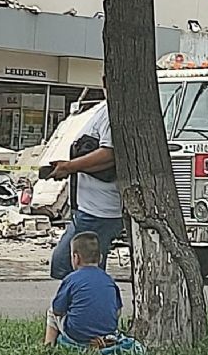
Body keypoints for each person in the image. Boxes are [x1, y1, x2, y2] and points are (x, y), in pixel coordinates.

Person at [48, 77, 122, 280]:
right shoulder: (102, 109)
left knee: (66, 264)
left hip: (99, 210)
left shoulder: (112, 111)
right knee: (85, 268)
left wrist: (69, 167)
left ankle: (83, 308)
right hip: (91, 208)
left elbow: (110, 154)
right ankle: (88, 308)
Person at [44, 232, 144, 354]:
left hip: (77, 334)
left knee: (51, 314)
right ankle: (101, 339)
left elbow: (57, 310)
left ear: (76, 258)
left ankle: (48, 346)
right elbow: (117, 311)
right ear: (101, 258)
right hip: (106, 333)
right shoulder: (109, 280)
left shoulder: (71, 279)